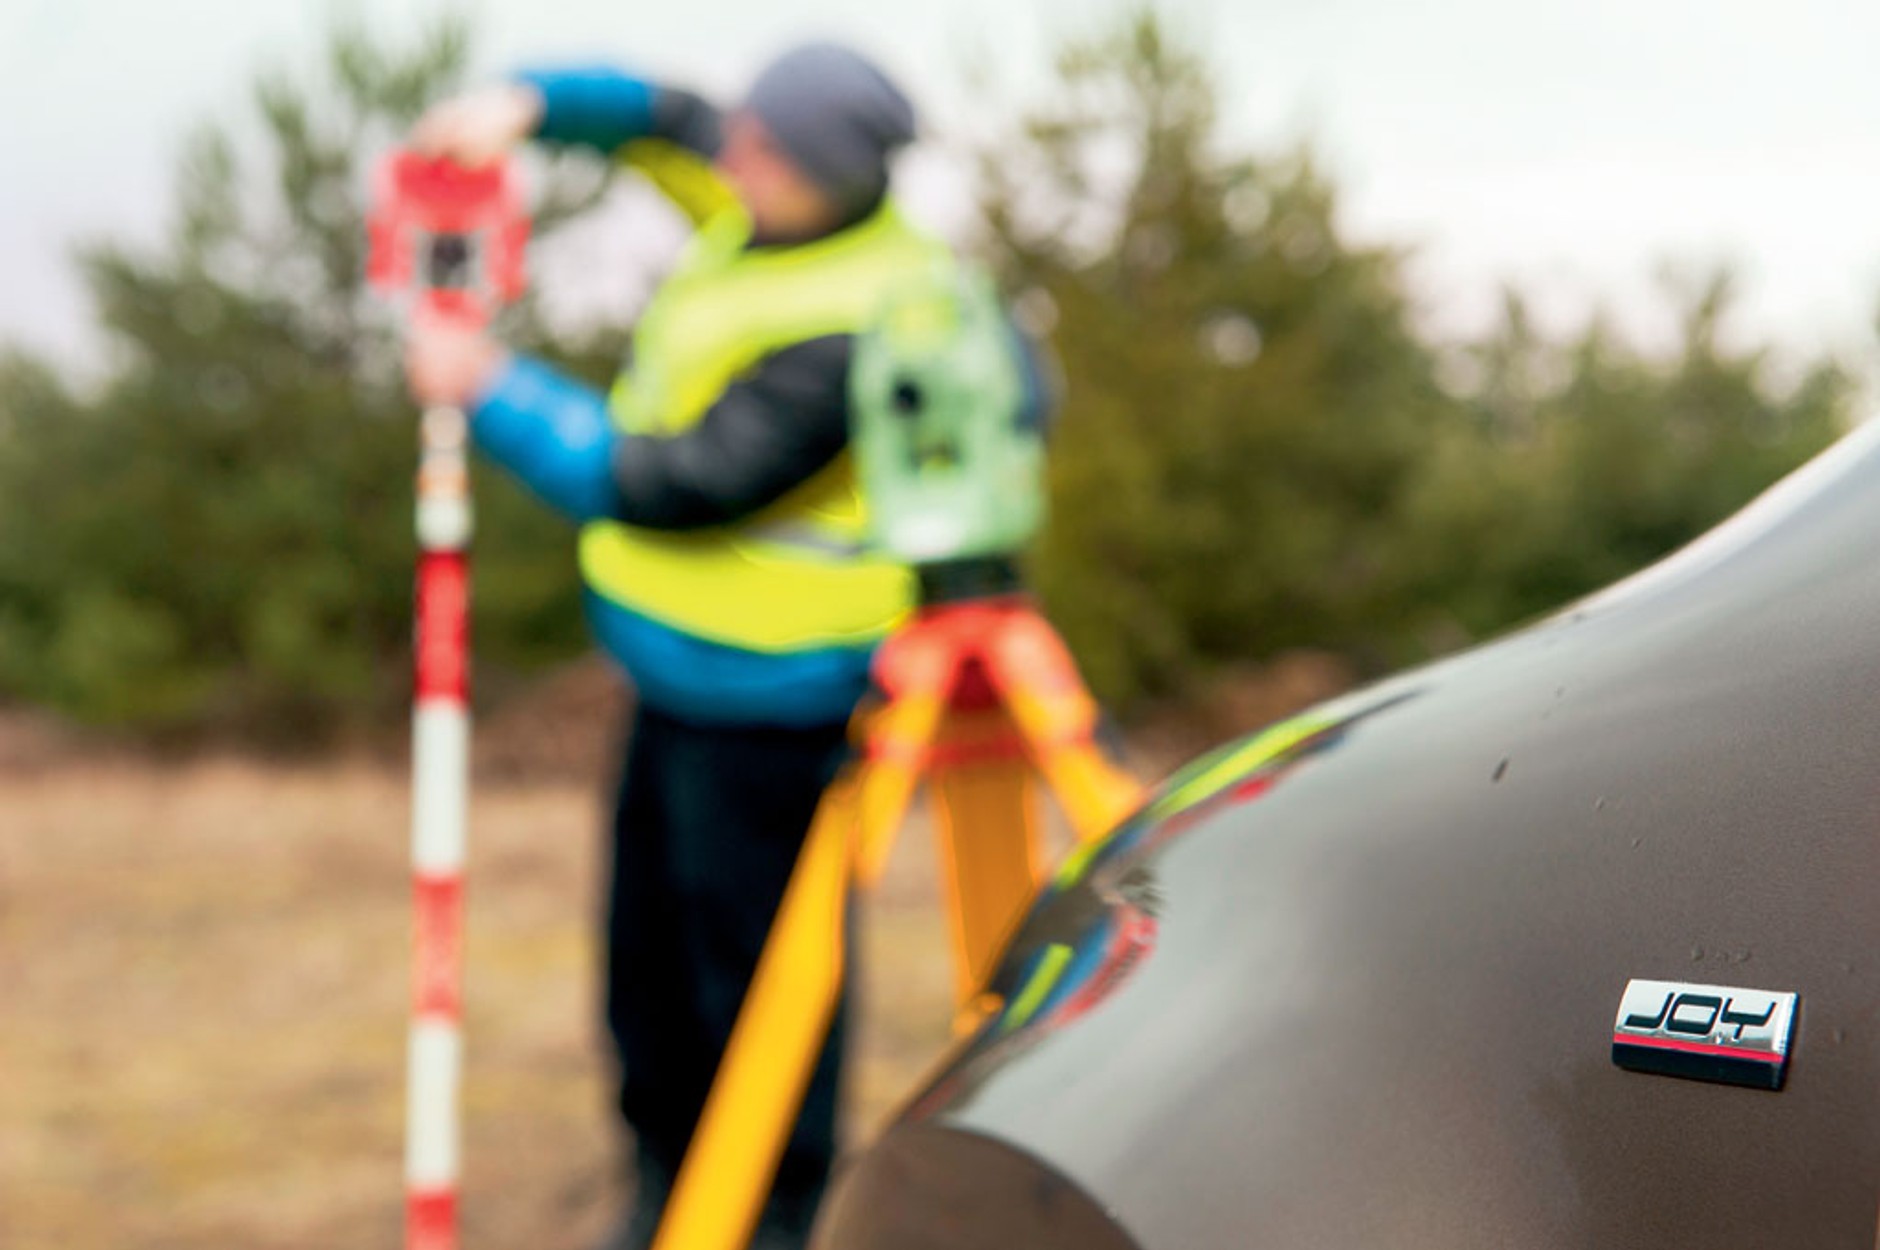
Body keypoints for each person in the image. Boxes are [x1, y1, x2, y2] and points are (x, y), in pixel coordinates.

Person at [404, 43, 954, 1250]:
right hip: (670, 683)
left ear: (833, 174)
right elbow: (661, 115)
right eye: (743, 136)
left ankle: (769, 1213)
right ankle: (665, 1188)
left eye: (764, 150)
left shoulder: (862, 313)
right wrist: (528, 106)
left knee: (758, 986)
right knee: (645, 968)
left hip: (778, 703)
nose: (735, 155)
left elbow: (675, 480)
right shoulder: (764, 180)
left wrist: (487, 387)